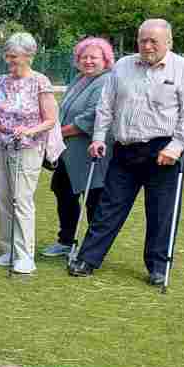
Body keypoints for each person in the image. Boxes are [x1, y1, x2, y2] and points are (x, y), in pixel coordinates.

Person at [69, 19, 184, 285]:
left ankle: (158, 267)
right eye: (143, 40)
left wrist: (175, 148)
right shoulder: (122, 66)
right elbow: (105, 107)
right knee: (109, 207)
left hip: (163, 150)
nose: (147, 45)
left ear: (169, 42)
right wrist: (98, 138)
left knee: (161, 212)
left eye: (154, 40)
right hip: (125, 149)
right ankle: (88, 258)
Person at [0, 33, 58, 274]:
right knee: (2, 198)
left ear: (28, 56)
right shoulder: (1, 81)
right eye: (7, 55)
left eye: (14, 56)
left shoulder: (40, 82)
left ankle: (25, 255)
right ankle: (8, 250)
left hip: (27, 147)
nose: (9, 60)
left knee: (21, 200)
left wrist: (29, 130)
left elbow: (51, 120)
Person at [41, 37, 115, 258]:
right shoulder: (79, 79)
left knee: (94, 199)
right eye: (84, 57)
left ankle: (92, 248)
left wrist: (56, 133)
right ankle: (66, 240)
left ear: (106, 60)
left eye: (94, 57)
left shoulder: (107, 81)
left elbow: (90, 118)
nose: (88, 61)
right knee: (62, 189)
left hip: (91, 151)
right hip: (68, 152)